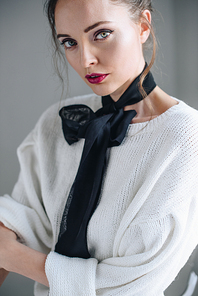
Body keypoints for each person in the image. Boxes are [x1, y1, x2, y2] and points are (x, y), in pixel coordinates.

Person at [0, 0, 198, 295]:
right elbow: (20, 220)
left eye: (101, 34)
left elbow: (131, 286)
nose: (85, 60)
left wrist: (14, 257)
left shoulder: (185, 137)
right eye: (69, 42)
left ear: (143, 26)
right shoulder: (59, 122)